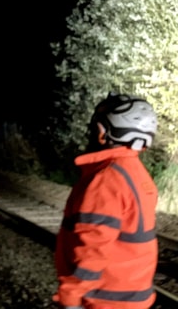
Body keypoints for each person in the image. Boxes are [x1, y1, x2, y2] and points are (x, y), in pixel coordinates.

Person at [53, 92, 159, 309]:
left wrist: (71, 296)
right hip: (132, 297)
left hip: (105, 300)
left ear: (102, 133)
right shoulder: (137, 174)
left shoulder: (105, 180)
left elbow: (92, 250)